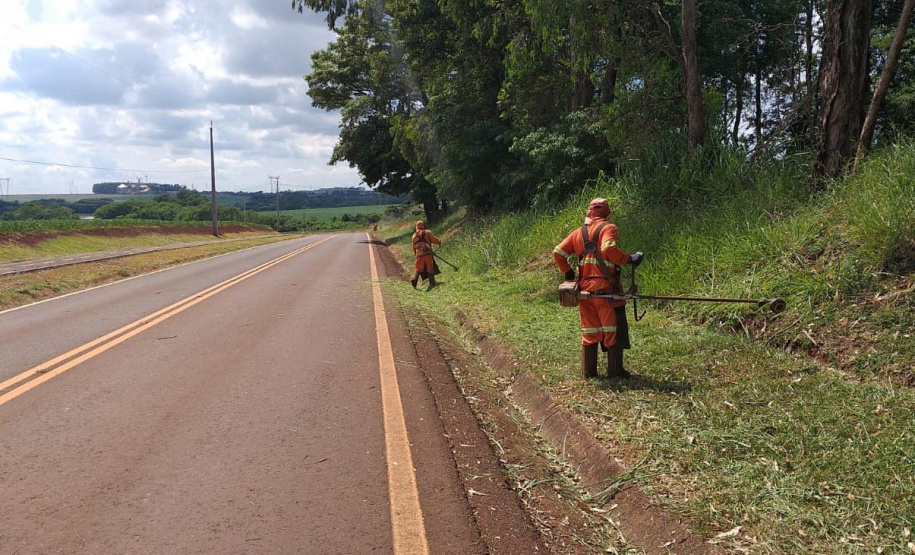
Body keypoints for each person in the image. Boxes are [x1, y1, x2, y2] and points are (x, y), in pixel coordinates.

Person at [553, 198, 643, 379]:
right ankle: (615, 372)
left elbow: (558, 252)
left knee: (590, 331)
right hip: (605, 290)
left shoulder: (578, 233)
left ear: (589, 213)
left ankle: (590, 372)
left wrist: (568, 273)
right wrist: (629, 258)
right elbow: (609, 248)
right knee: (611, 330)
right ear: (608, 214)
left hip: (584, 291)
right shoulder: (609, 228)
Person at [411, 220, 441, 290]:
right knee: (430, 268)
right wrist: (439, 241)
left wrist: (416, 255)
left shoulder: (414, 235)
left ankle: (414, 280)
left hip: (419, 254)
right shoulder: (427, 232)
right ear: (423, 226)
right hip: (427, 253)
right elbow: (434, 240)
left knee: (418, 268)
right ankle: (432, 283)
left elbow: (414, 247)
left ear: (416, 227)